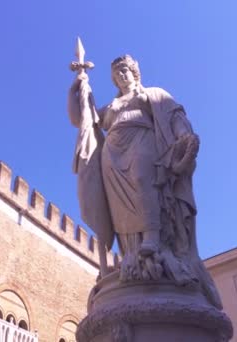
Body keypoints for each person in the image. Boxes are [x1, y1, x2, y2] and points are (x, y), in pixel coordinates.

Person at [68, 55, 221, 309]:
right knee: (120, 208)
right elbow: (82, 120)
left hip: (142, 142)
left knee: (143, 180)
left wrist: (185, 137)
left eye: (125, 70)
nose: (121, 76)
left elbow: (173, 115)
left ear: (135, 72)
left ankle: (153, 239)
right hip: (112, 156)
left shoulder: (152, 94)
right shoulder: (112, 106)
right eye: (117, 74)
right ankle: (132, 254)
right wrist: (78, 88)